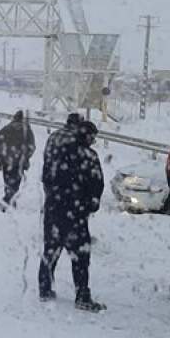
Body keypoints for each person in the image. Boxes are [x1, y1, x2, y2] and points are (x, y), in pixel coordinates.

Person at [39, 120, 105, 311]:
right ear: (87, 136)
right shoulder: (89, 156)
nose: (93, 141)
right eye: (93, 137)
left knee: (50, 250)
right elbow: (96, 185)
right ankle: (82, 295)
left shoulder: (58, 154)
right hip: (76, 214)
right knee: (80, 257)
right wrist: (90, 204)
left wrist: (53, 196)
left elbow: (46, 177)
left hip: (54, 209)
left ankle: (45, 289)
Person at [0, 110, 35, 206]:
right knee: (16, 182)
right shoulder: (27, 131)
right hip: (19, 162)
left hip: (6, 160)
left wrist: (2, 154)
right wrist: (25, 157)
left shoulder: (6, 129)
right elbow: (31, 147)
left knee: (7, 180)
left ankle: (8, 197)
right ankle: (10, 198)